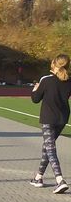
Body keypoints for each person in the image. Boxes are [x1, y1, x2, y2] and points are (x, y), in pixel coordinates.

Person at [29, 54, 71, 194]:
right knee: (47, 147)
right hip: (62, 118)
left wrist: (35, 89)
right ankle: (38, 177)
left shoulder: (46, 79)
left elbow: (35, 99)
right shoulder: (68, 80)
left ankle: (60, 180)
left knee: (50, 149)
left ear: (54, 64)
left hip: (48, 118)